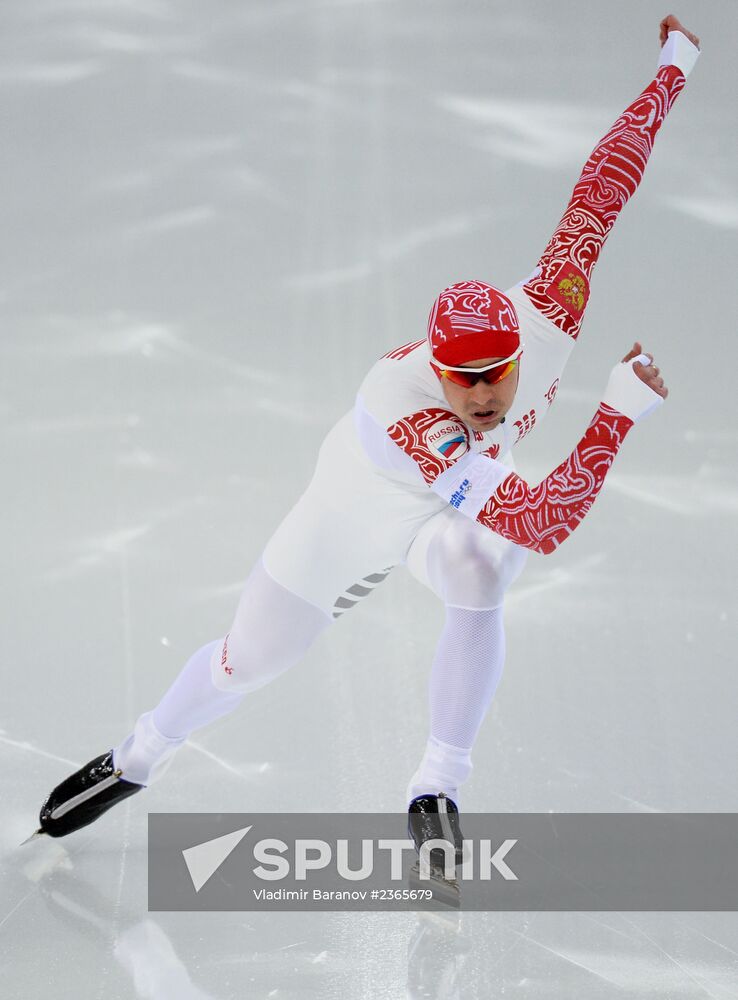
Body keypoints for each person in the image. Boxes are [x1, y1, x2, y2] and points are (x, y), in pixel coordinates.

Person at [35, 16, 700, 862]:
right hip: (347, 524)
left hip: (431, 518)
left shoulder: (550, 309)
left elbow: (604, 186)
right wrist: (616, 416)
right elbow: (545, 518)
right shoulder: (409, 410)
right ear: (435, 368)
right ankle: (140, 754)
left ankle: (436, 787)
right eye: (463, 379)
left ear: (520, 348)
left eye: (498, 373)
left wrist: (672, 69)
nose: (486, 395)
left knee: (482, 561)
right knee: (247, 666)